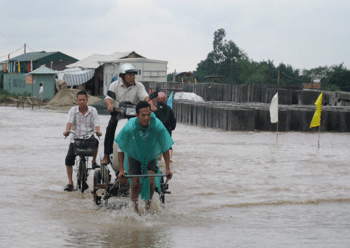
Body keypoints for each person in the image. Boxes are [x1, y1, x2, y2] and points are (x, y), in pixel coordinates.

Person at [116, 101, 173, 213]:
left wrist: (168, 169)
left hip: (150, 154)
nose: (146, 118)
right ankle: (135, 208)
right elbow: (120, 147)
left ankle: (148, 206)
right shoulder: (130, 126)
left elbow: (165, 146)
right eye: (143, 115)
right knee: (135, 183)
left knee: (151, 180)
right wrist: (121, 170)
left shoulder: (157, 125)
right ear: (137, 115)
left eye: (148, 115)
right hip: (133, 154)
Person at [101, 63, 156, 165]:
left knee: (147, 127)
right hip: (118, 113)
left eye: (133, 75)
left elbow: (145, 97)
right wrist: (109, 105)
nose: (132, 77)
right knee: (110, 128)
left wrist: (151, 105)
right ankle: (106, 155)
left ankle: (149, 154)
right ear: (122, 76)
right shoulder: (114, 85)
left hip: (134, 115)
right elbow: (108, 98)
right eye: (129, 75)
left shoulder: (139, 86)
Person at [63, 91, 102, 192]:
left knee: (96, 142)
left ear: (87, 100)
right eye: (79, 100)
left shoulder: (93, 110)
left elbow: (96, 123)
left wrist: (98, 131)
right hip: (76, 138)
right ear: (77, 101)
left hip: (88, 137)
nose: (81, 102)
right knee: (68, 159)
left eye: (83, 100)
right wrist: (67, 131)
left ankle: (93, 161)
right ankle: (70, 183)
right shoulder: (73, 110)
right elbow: (69, 122)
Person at [155, 92, 176, 162]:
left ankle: (158, 158)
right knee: (168, 146)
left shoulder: (154, 109)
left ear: (157, 100)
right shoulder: (169, 109)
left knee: (157, 145)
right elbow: (173, 121)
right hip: (167, 130)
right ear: (164, 100)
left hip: (156, 131)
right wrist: (171, 128)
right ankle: (169, 158)